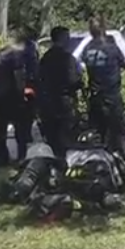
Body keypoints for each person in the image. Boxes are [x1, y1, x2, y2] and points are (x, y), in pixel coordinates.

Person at [37, 26, 82, 171]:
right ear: (62, 38)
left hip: (47, 104)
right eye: (67, 37)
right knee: (66, 139)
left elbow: (39, 80)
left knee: (52, 140)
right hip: (64, 103)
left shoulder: (45, 59)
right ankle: (66, 168)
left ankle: (53, 169)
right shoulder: (67, 58)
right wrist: (80, 84)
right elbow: (73, 80)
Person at [0, 31, 36, 166]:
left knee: (1, 128)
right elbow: (19, 76)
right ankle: (22, 157)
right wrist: (23, 94)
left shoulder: (0, 53)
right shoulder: (16, 55)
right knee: (20, 128)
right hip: (12, 96)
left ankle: (1, 157)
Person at [81, 20, 125, 154]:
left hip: (95, 95)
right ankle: (120, 156)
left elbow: (85, 62)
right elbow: (124, 64)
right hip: (111, 94)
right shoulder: (111, 47)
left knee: (98, 130)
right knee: (117, 129)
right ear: (104, 30)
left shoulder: (87, 48)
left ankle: (99, 156)